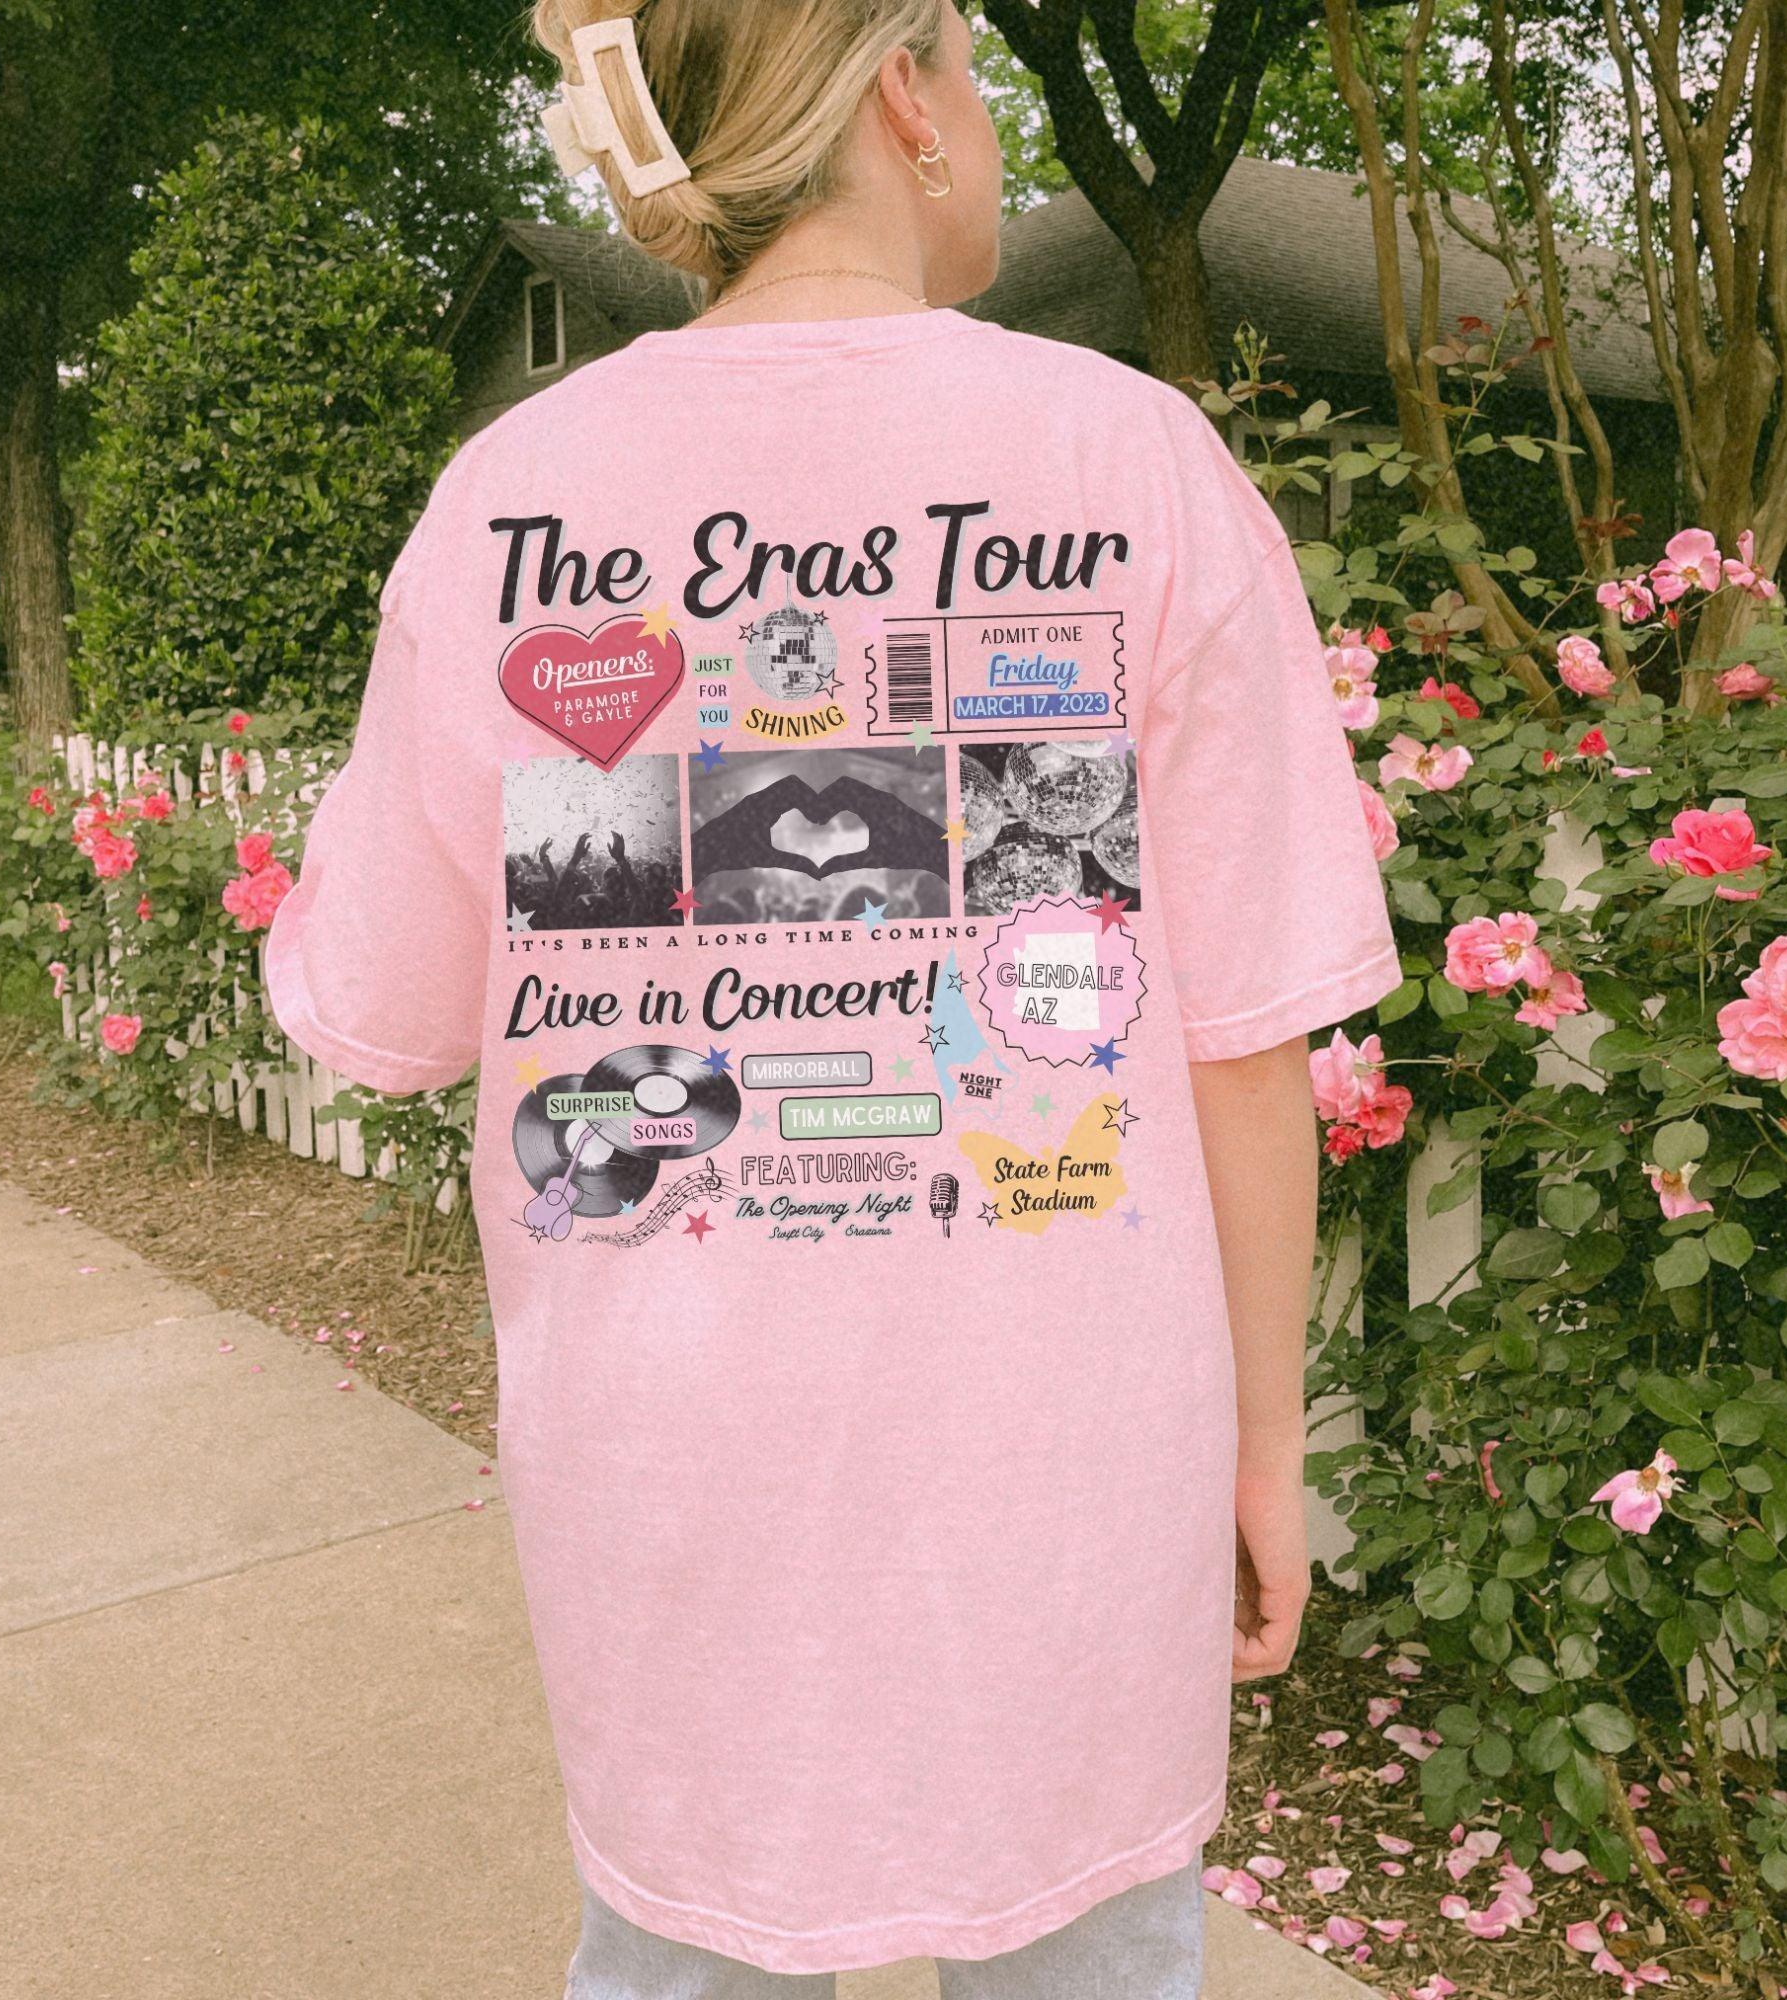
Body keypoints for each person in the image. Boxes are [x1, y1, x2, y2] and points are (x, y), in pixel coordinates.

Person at [260, 0, 1402, 1993]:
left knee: (676, 1944)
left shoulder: (512, 504)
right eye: (967, 62)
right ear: (902, 91)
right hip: (1061, 1492)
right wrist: (1258, 1453)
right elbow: (1243, 1043)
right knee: (1089, 1950)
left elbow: (382, 1004)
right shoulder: (1132, 460)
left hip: (670, 1486)